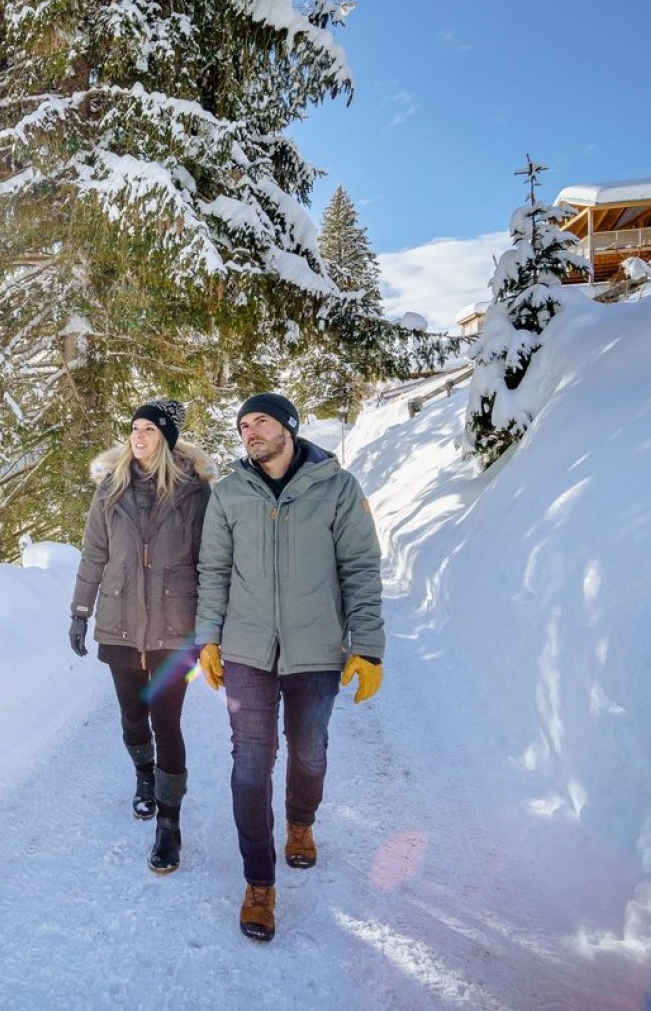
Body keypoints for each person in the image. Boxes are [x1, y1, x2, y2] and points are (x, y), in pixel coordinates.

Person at [194, 392, 384, 941]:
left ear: (289, 428)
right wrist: (209, 637)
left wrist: (367, 646)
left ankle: (300, 825)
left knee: (310, 750)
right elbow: (214, 571)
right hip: (248, 652)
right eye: (243, 425)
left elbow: (361, 569)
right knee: (251, 765)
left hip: (317, 651)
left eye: (261, 422)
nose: (250, 432)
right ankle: (260, 883)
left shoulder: (338, 489)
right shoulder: (229, 493)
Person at [69, 399, 217, 874]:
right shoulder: (110, 489)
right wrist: (79, 611)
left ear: (167, 439)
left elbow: (211, 562)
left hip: (175, 626)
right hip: (120, 621)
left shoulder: (195, 494)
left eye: (149, 429)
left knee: (167, 720)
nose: (138, 436)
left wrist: (213, 628)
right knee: (133, 714)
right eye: (134, 427)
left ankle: (169, 826)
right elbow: (94, 553)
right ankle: (144, 779)